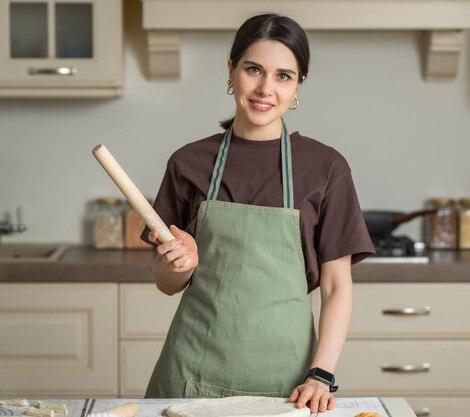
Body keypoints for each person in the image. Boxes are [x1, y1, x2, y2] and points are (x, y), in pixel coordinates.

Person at [142, 13, 374, 414]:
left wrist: (321, 374)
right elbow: (166, 283)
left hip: (290, 382)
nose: (266, 88)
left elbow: (337, 286)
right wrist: (179, 263)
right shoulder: (188, 162)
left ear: (299, 84)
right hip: (190, 373)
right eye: (254, 70)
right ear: (232, 70)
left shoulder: (326, 168)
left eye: (284, 75)